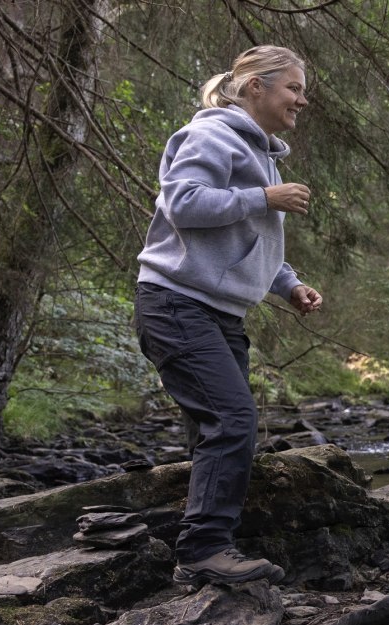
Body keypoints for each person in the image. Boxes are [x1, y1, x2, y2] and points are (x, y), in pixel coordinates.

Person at [134, 45, 321, 585]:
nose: (301, 101)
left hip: (218, 314)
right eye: (294, 88)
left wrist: (289, 285)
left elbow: (252, 238)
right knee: (233, 420)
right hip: (175, 303)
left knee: (214, 430)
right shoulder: (211, 135)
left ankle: (205, 544)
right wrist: (264, 196)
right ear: (256, 87)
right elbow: (185, 203)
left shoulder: (261, 154)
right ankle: (203, 550)